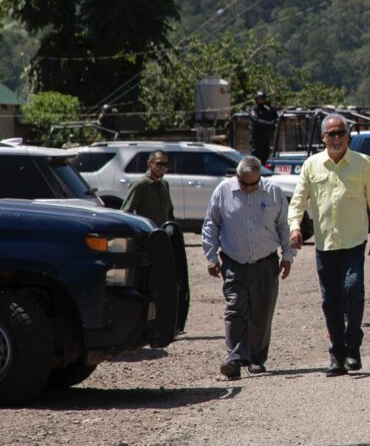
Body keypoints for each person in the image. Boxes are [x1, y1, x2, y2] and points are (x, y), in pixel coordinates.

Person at [287, 114, 370, 377]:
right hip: (326, 245)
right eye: (330, 134)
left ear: (348, 136)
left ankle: (353, 346)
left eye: (340, 133)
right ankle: (337, 354)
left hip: (354, 241)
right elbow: (298, 201)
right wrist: (295, 226)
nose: (335, 138)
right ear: (323, 137)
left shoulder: (362, 163)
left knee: (353, 290)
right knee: (330, 301)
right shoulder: (311, 165)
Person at [202, 156, 294, 379]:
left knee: (261, 313)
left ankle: (255, 359)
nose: (249, 188)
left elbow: (285, 225)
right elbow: (211, 224)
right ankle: (233, 359)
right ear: (237, 177)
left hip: (266, 263)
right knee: (235, 309)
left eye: (253, 184)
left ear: (260, 178)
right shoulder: (223, 191)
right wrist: (211, 257)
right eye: (244, 183)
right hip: (234, 262)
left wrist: (288, 256)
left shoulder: (273, 192)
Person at [121, 149, 190, 332]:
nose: (162, 168)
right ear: (150, 164)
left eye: (166, 165)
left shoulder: (164, 185)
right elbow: (126, 213)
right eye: (159, 164)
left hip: (164, 242)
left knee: (167, 283)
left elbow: (169, 214)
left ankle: (166, 323)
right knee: (147, 284)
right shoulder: (140, 185)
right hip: (147, 242)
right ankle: (144, 325)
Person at [249, 91, 278, 165]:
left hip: (265, 136)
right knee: (256, 156)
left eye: (263, 98)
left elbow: (275, 117)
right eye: (260, 98)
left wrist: (271, 107)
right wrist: (268, 124)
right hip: (256, 137)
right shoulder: (254, 109)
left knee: (265, 155)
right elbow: (256, 120)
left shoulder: (266, 109)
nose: (261, 100)